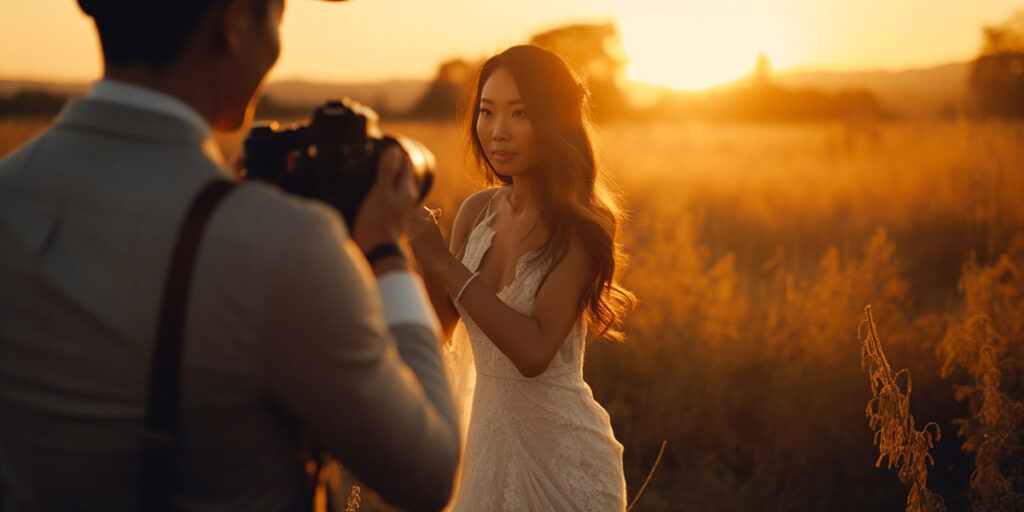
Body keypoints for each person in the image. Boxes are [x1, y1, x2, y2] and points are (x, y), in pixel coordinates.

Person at [0, 1, 458, 511]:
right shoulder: (283, 246)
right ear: (234, 26)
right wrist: (387, 253)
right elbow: (429, 476)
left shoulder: (10, 189)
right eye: (279, 14)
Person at [408, 45, 636, 511]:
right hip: (484, 449)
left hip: (561, 463)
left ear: (554, 122)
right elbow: (444, 329)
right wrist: (417, 255)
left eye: (519, 113)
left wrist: (445, 262)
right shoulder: (476, 212)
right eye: (487, 112)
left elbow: (534, 352)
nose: (497, 131)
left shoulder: (582, 227)